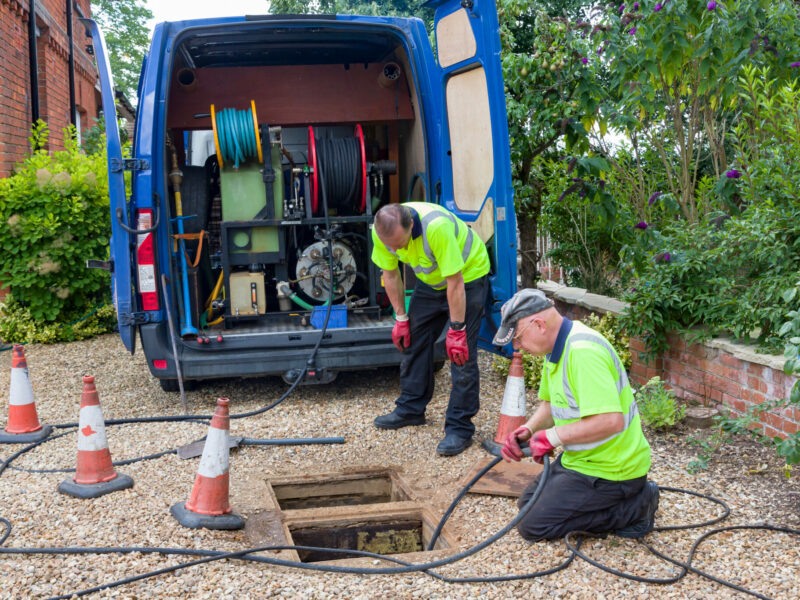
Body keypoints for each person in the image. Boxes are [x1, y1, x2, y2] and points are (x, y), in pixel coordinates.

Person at [494, 288, 659, 540]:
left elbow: (611, 421)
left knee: (532, 526)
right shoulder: (555, 349)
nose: (517, 346)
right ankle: (620, 502)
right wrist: (528, 430)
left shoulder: (583, 352)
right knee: (527, 503)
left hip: (613, 469)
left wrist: (552, 437)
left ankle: (637, 506)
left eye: (517, 337)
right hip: (583, 460)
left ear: (539, 325)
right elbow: (551, 405)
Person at [371, 202, 490, 456]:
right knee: (413, 339)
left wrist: (457, 330)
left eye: (399, 244)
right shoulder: (381, 231)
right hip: (431, 281)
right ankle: (411, 409)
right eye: (390, 246)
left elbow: (455, 281)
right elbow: (390, 274)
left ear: (411, 226)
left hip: (467, 277)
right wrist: (401, 318)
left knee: (461, 354)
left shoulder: (436, 227)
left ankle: (459, 428)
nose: (395, 250)